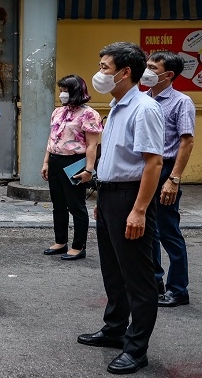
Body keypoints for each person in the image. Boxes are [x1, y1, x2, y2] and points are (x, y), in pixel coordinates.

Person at [77, 42, 163, 375]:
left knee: (138, 278)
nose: (99, 73)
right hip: (112, 196)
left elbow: (153, 163)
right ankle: (114, 329)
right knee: (113, 271)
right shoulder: (117, 105)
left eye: (105, 67)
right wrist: (102, 198)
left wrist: (139, 210)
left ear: (126, 72)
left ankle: (136, 348)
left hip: (132, 197)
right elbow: (113, 158)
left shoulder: (144, 108)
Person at [140, 51, 194, 308]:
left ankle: (178, 289)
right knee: (147, 230)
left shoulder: (181, 102)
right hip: (144, 169)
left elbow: (187, 141)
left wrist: (174, 179)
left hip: (166, 169)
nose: (147, 70)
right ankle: (155, 281)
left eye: (152, 67)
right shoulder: (141, 99)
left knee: (168, 231)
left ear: (168, 74)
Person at [41, 75, 102, 260]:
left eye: (66, 90)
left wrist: (89, 170)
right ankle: (60, 241)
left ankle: (78, 246)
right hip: (55, 160)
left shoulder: (89, 114)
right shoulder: (58, 112)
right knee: (58, 204)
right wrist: (46, 162)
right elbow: (52, 138)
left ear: (76, 91)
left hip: (75, 162)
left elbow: (92, 145)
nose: (62, 94)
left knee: (76, 205)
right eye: (61, 90)